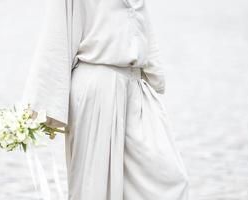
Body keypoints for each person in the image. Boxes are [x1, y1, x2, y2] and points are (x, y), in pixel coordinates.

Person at [23, 0, 189, 199]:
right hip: (96, 86)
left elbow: (139, 19)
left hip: (134, 85)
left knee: (169, 177)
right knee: (95, 187)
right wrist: (43, 105)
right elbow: (57, 30)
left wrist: (151, 70)